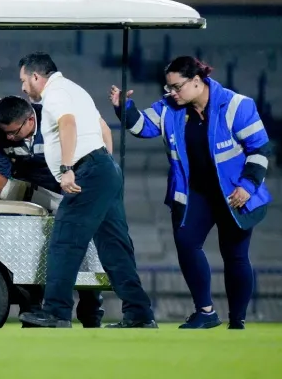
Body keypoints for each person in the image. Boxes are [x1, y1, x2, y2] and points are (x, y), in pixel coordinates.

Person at [110, 56, 272, 330]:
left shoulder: (237, 105)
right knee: (186, 243)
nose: (172, 93)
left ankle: (237, 321)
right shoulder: (170, 108)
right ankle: (205, 312)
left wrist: (247, 187)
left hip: (233, 194)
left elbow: (260, 150)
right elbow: (142, 127)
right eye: (168, 88)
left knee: (235, 255)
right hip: (193, 193)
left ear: (197, 81)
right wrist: (124, 107)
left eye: (176, 87)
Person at [15, 52, 156, 329]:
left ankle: (56, 312)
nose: (22, 87)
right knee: (115, 247)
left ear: (36, 76)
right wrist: (105, 165)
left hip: (87, 172)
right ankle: (139, 313)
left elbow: (68, 124)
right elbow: (103, 127)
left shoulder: (54, 94)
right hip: (103, 169)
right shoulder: (76, 90)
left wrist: (68, 167)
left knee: (65, 240)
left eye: (23, 80)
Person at [0, 96, 108, 327]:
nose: (9, 138)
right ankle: (31, 310)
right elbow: (0, 177)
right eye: (6, 133)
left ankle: (91, 312)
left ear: (31, 120)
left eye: (13, 133)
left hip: (70, 191)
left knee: (82, 251)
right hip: (28, 195)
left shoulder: (57, 122)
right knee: (26, 254)